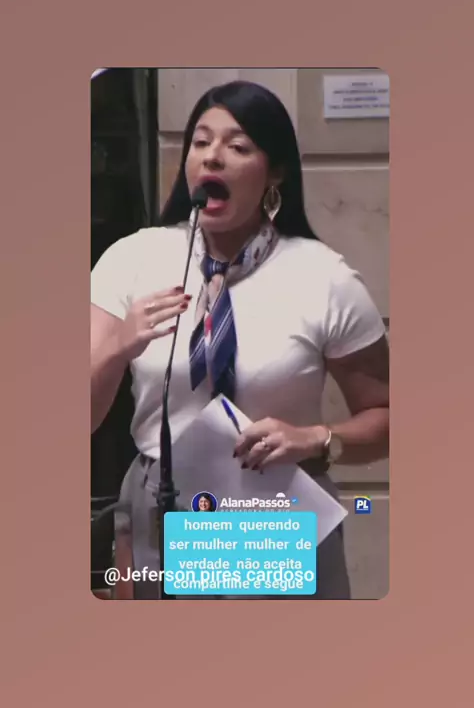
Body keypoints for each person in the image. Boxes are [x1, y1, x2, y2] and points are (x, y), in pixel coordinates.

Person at [91, 79, 389, 600]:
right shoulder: (132, 259)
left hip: (269, 513)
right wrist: (116, 346)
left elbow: (388, 417)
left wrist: (319, 439)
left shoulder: (324, 277)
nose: (212, 156)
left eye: (238, 146)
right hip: (162, 508)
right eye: (201, 142)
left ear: (275, 172)